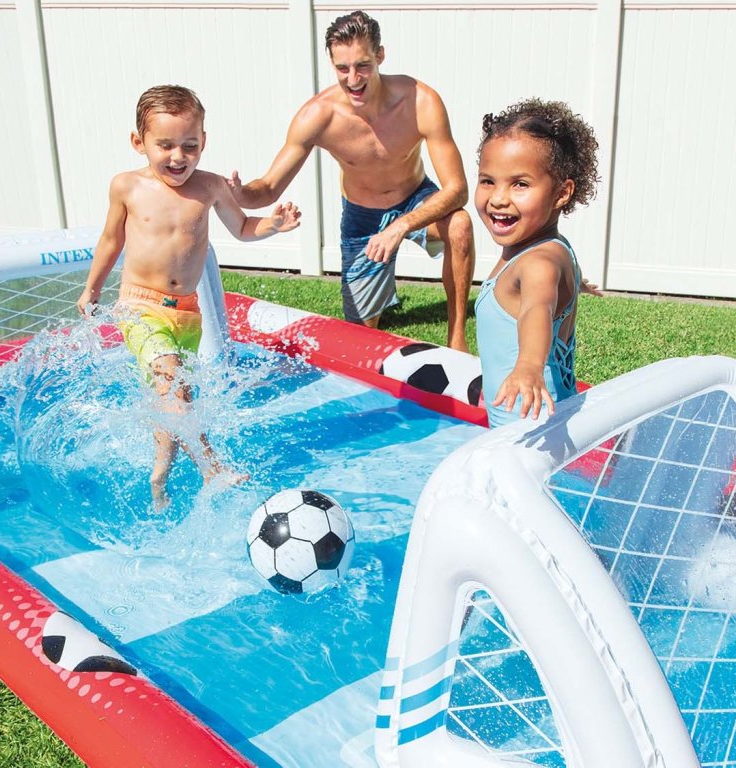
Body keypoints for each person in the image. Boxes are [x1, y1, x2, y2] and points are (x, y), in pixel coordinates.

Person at [77, 85, 301, 509]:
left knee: (176, 401)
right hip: (140, 306)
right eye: (165, 145)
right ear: (138, 142)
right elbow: (110, 240)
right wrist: (93, 287)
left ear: (204, 141)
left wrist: (272, 225)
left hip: (187, 314)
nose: (178, 156)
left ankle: (159, 477)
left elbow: (242, 228)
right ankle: (212, 469)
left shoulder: (211, 187)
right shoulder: (126, 186)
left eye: (189, 145)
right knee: (176, 396)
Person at [228, 10, 475, 352]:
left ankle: (456, 337)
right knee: (360, 338)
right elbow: (268, 188)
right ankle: (375, 302)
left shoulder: (420, 101)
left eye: (363, 65)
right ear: (332, 64)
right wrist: (241, 194)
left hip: (415, 198)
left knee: (459, 225)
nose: (353, 78)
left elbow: (458, 190)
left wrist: (402, 225)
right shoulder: (319, 116)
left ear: (380, 56)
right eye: (342, 68)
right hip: (363, 217)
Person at [473, 98, 600, 428]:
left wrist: (529, 366)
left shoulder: (538, 263)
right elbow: (549, 288)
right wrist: (577, 282)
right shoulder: (547, 248)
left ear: (561, 193)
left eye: (520, 184)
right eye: (488, 180)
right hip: (544, 420)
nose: (498, 198)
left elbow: (536, 309)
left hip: (529, 429)